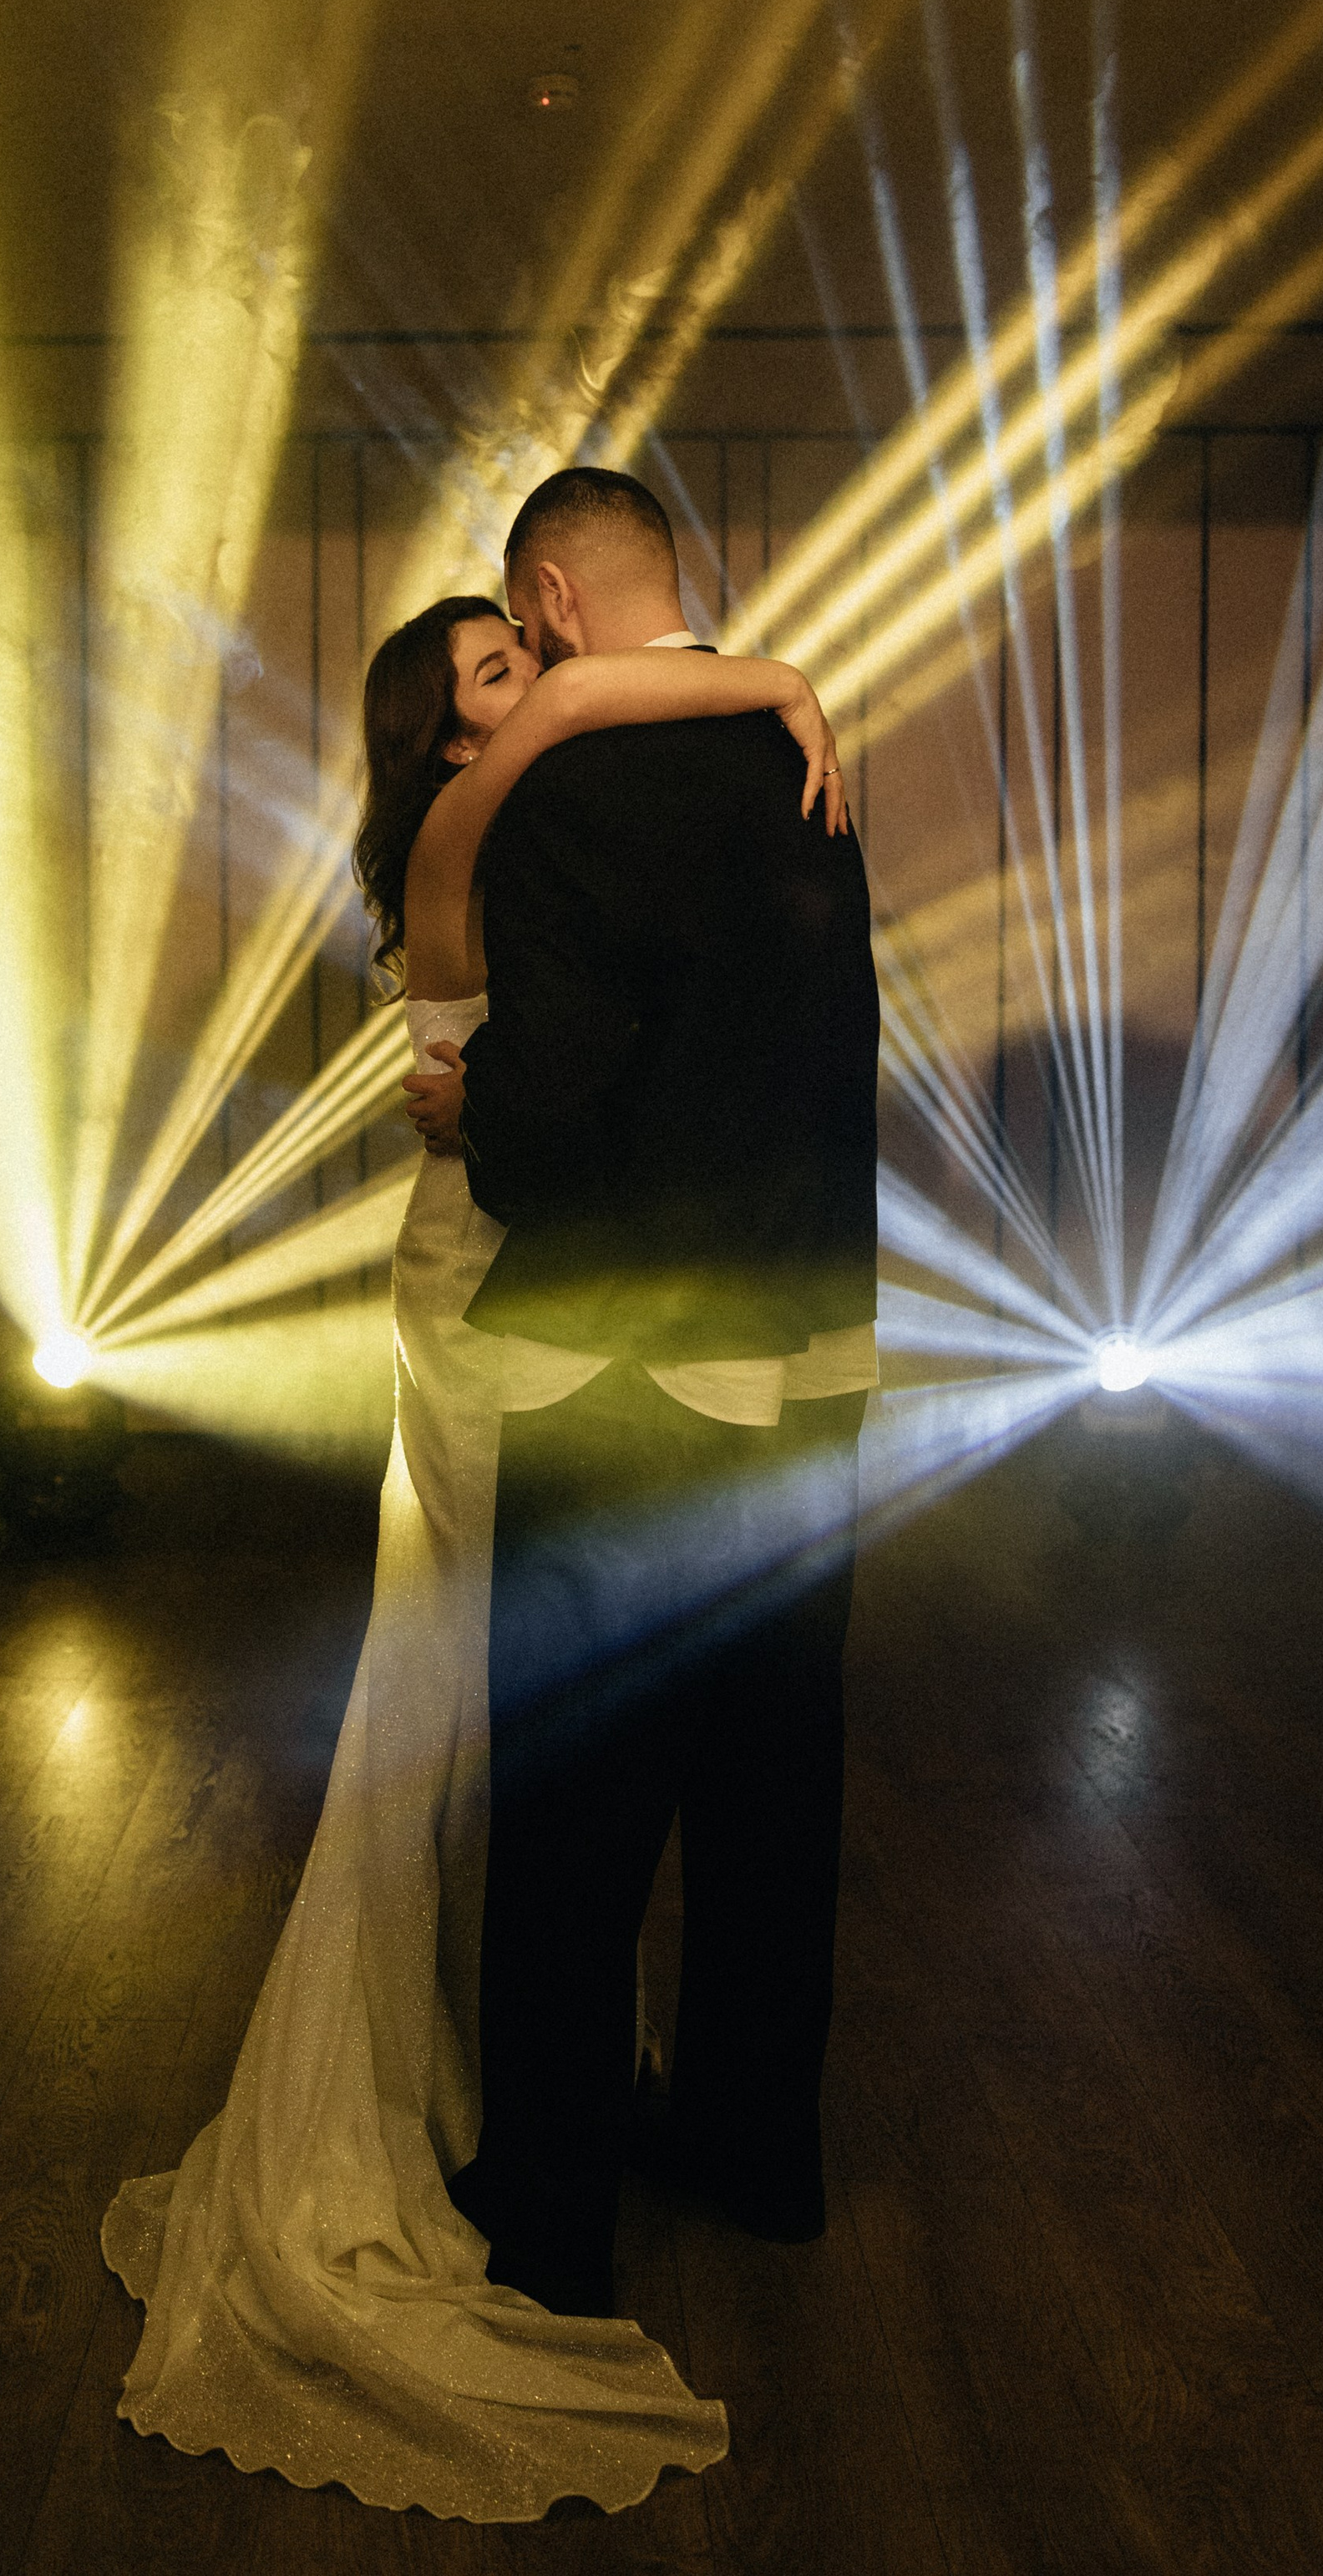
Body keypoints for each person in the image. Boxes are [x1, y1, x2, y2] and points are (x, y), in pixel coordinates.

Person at [101, 565, 848, 2520]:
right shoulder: (467, 828)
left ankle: (506, 2093)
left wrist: (727, 682)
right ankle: (504, 2112)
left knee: (497, 1734)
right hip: (485, 1311)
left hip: (546, 1281)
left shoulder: (537, 823)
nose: (522, 692)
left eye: (518, 654)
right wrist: (764, 678)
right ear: (441, 736)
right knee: (479, 1715)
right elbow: (575, 746)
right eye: (484, 682)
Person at [409, 467, 880, 2325]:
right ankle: (759, 2155)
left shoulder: (557, 789)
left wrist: (479, 1109)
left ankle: (548, 2210)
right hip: (813, 1353)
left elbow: (552, 1131)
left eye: (519, 641)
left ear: (546, 596)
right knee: (776, 1791)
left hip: (622, 1379)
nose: (515, 670)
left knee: (577, 1807)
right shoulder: (803, 770)